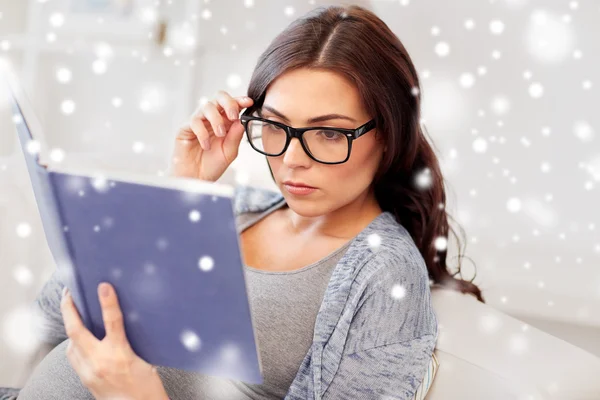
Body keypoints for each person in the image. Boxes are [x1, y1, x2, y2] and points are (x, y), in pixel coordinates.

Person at [12, 4, 485, 400]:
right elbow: (56, 315)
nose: (293, 160)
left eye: (327, 132)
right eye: (276, 126)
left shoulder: (384, 277)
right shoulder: (237, 207)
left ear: (389, 135)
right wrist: (178, 195)